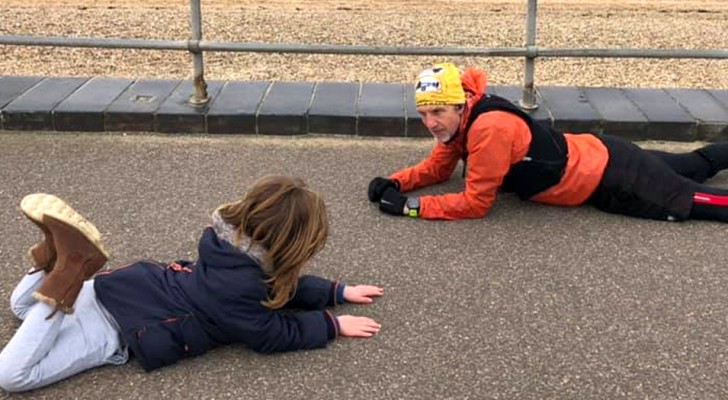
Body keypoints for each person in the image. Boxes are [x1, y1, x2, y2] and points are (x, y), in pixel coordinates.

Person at [0, 175, 383, 392]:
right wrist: (330, 324)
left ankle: (54, 260)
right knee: (12, 375)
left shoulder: (223, 247)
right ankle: (67, 270)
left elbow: (278, 289)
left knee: (23, 308)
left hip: (111, 288)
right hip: (116, 326)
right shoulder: (241, 291)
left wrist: (336, 292)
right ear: (289, 245)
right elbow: (271, 333)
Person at [368, 61, 728, 222]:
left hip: (611, 178)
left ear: (461, 104)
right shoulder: (462, 119)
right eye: (424, 114)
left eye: (438, 113)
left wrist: (411, 208)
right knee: (695, 165)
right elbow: (439, 167)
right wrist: (397, 181)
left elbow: (476, 204)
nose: (430, 123)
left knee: (705, 202)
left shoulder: (488, 129)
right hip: (602, 151)